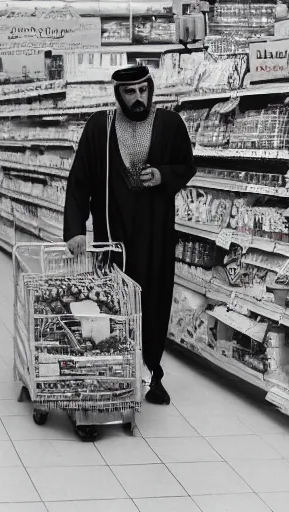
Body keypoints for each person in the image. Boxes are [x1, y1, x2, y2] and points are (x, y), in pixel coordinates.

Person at [63, 65, 196, 414]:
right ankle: (113, 372)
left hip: (156, 231)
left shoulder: (169, 124)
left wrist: (163, 175)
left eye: (142, 90)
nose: (138, 98)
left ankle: (153, 372)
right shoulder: (100, 127)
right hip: (113, 230)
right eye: (129, 92)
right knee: (113, 302)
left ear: (150, 89)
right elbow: (79, 180)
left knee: (153, 301)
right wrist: (76, 228)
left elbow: (186, 166)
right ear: (118, 94)